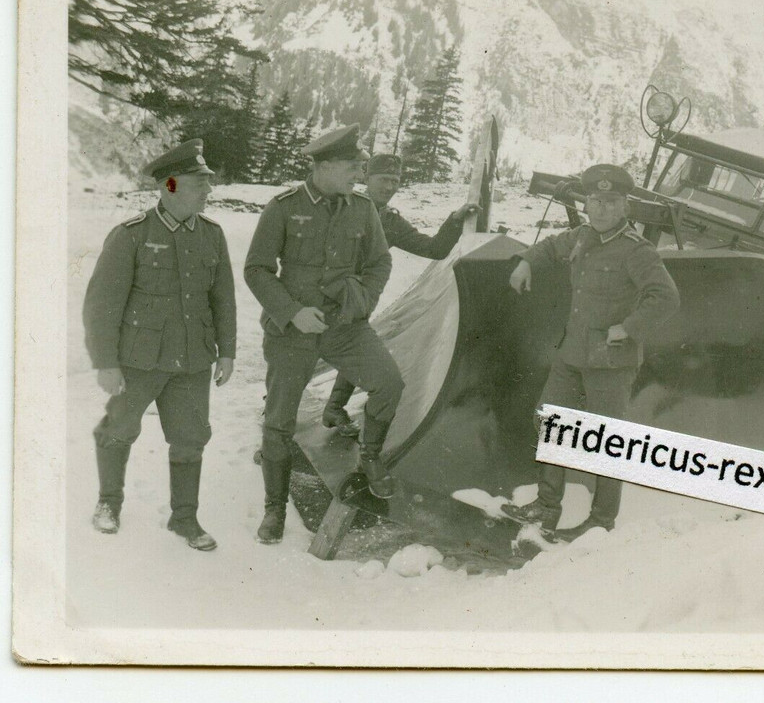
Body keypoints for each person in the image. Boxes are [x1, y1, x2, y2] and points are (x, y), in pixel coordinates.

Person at [502, 163, 679, 542]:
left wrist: (628, 328)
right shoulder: (582, 237)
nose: (601, 209)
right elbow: (551, 246)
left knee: (606, 442)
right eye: (596, 201)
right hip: (572, 355)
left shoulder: (637, 250)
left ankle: (601, 521)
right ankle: (547, 506)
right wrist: (525, 262)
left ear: (625, 207)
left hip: (611, 362)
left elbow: (665, 297)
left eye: (611, 202)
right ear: (587, 204)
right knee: (547, 421)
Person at [244, 125, 404, 545]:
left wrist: (362, 301)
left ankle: (370, 458)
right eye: (352, 166)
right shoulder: (283, 207)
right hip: (292, 331)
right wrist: (292, 312)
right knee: (279, 420)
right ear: (326, 166)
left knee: (389, 382)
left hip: (345, 327)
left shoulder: (362, 209)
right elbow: (257, 269)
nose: (359, 174)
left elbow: (380, 262)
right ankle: (275, 508)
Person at [82, 139, 236, 551]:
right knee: (119, 428)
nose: (208, 190)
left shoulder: (212, 235)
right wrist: (105, 362)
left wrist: (227, 351)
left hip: (193, 360)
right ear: (170, 185)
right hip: (139, 360)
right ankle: (109, 502)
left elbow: (223, 299)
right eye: (199, 183)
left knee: (191, 437)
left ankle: (184, 518)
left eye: (208, 183)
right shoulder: (131, 234)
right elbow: (102, 305)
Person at [321, 152, 478, 435]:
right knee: (302, 352)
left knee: (356, 351)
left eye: (395, 181)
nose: (389, 187)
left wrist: (455, 221)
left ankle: (334, 408)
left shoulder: (390, 221)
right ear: (367, 177)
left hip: (356, 302)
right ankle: (276, 425)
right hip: (319, 295)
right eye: (383, 179)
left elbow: (434, 249)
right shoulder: (339, 206)